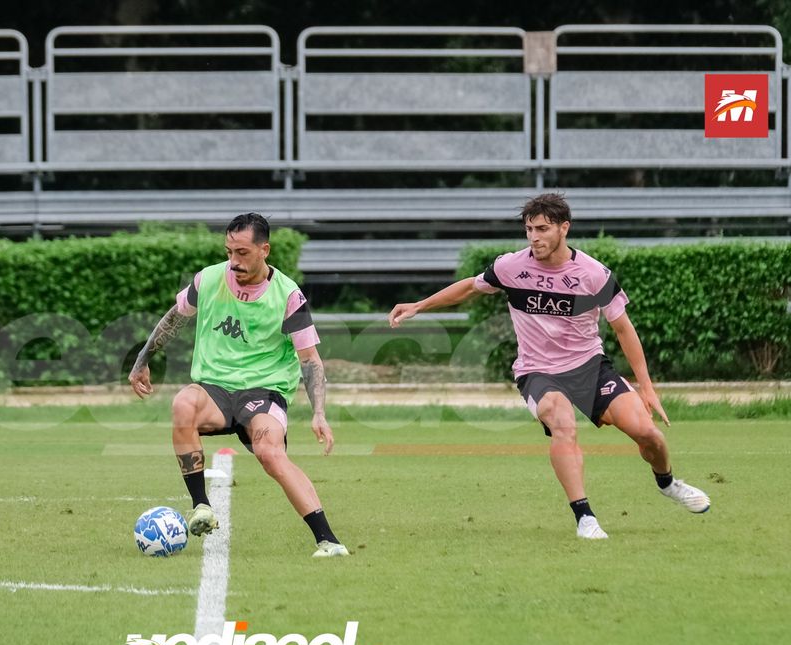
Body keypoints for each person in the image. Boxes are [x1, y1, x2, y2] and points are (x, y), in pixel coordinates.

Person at [388, 193, 710, 539]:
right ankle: (585, 516)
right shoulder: (511, 266)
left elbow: (623, 328)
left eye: (542, 229)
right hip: (537, 370)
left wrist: (646, 387)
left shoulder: (593, 274)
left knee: (647, 433)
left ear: (563, 228)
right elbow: (470, 287)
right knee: (561, 421)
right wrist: (419, 305)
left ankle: (667, 483)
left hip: (589, 367)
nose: (534, 237)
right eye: (529, 229)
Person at [128, 213, 348, 557]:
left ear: (265, 250)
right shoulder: (209, 279)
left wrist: (319, 413)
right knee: (183, 403)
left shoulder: (289, 295)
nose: (234, 262)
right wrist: (142, 360)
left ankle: (328, 540)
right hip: (214, 388)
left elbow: (310, 360)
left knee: (270, 453)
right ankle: (201, 506)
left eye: (242, 253)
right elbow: (175, 316)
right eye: (230, 252)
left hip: (264, 391)